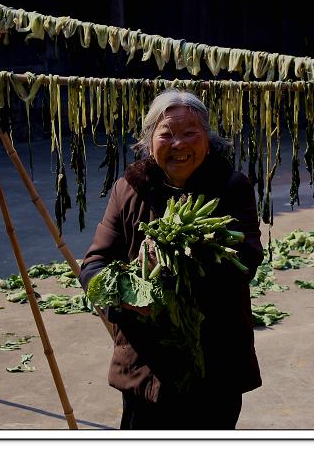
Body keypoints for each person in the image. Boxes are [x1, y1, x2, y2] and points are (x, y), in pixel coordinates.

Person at [80, 89, 263, 430]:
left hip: (215, 360)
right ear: (150, 141)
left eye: (190, 133)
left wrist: (184, 263)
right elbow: (94, 266)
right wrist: (129, 296)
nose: (178, 144)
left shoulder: (231, 187)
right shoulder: (129, 188)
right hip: (146, 366)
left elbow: (247, 258)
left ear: (207, 139)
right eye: (166, 133)